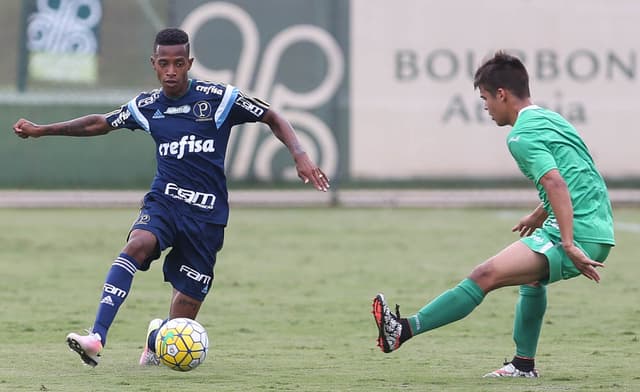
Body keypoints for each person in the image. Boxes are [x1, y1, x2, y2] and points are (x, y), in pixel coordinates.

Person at [13, 27, 330, 367]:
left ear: (189, 62)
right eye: (164, 64)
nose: (171, 72)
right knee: (136, 244)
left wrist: (299, 154)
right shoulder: (147, 106)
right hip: (165, 203)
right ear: (154, 63)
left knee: (180, 322)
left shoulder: (219, 99)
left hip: (207, 217)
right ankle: (96, 337)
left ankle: (155, 339)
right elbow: (99, 123)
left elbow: (272, 115)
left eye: (179, 64)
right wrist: (42, 130)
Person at [372, 51, 615, 378]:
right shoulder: (551, 119)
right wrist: (539, 214)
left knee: (484, 275)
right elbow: (577, 176)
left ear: (502, 94)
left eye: (486, 97)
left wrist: (569, 243)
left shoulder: (520, 136)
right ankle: (523, 365)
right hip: (597, 225)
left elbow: (556, 181)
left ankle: (401, 331)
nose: (485, 106)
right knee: (531, 279)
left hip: (578, 232)